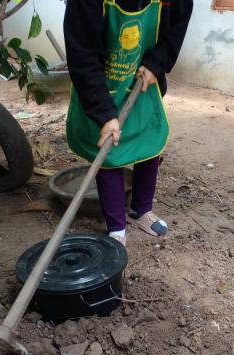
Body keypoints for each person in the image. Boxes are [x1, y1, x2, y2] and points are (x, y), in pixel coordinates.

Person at [64, 0, 193, 246]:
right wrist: (104, 114)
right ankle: (116, 230)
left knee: (149, 140)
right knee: (110, 152)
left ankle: (140, 210)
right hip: (101, 85)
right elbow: (82, 53)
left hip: (143, 77)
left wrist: (157, 62)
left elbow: (177, 23)